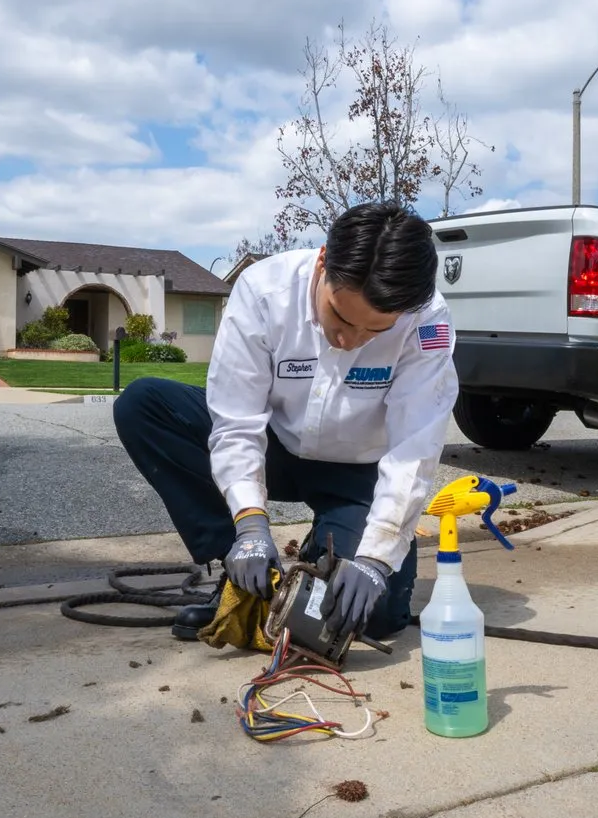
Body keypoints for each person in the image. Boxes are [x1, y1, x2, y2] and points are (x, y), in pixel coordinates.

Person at [113, 201, 459, 644]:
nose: (349, 341)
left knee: (372, 618)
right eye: (340, 316)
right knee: (143, 404)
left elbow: (414, 447)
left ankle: (326, 547)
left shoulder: (426, 320)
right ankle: (241, 579)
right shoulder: (263, 290)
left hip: (357, 474)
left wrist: (376, 559)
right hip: (273, 446)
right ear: (322, 263)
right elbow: (236, 421)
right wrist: (251, 527)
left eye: (373, 332)